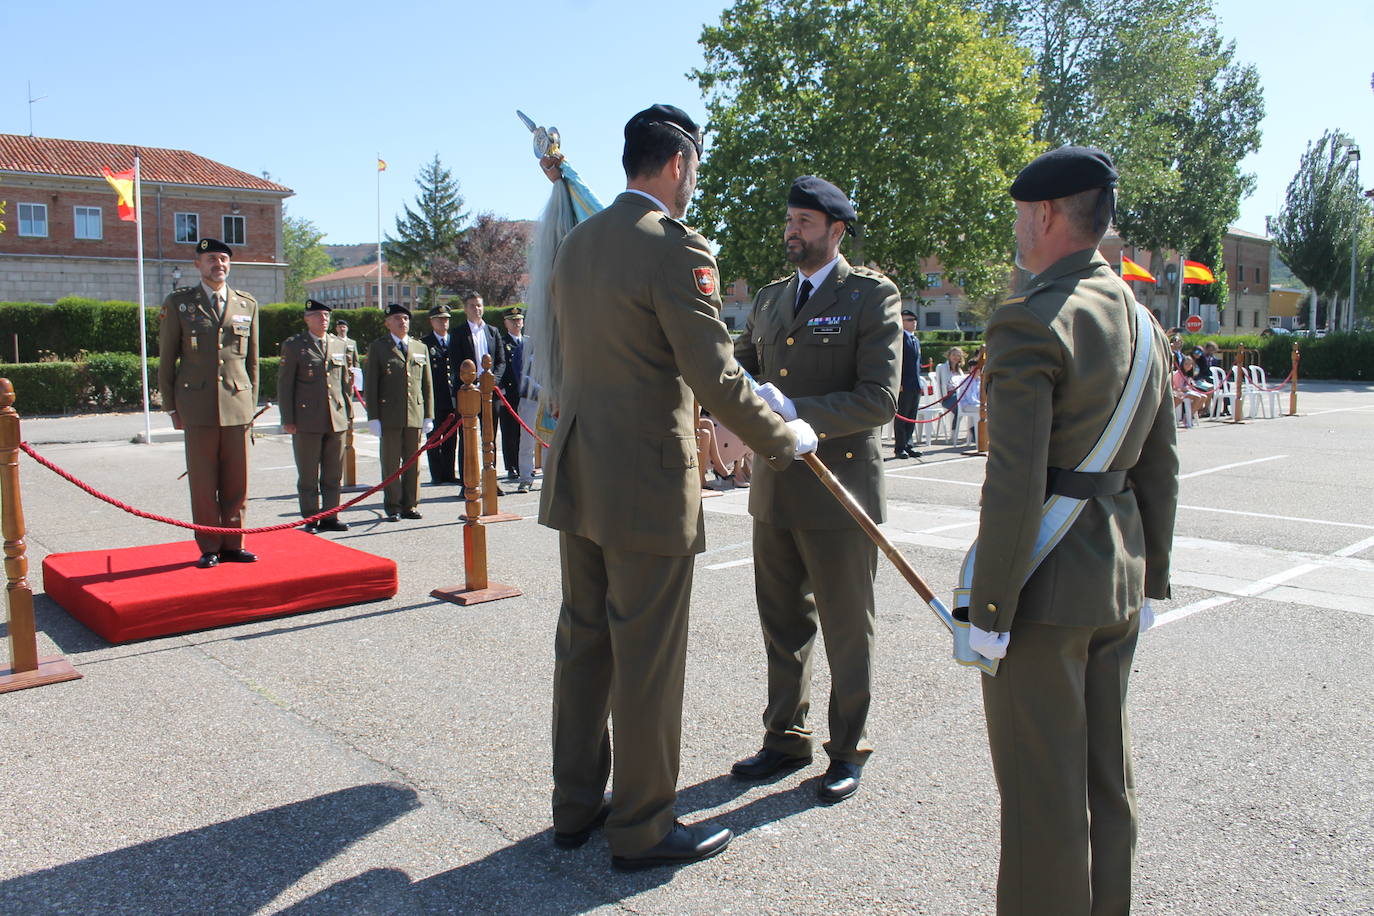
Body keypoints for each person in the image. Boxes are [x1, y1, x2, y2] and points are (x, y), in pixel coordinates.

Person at [538, 104, 816, 870]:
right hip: (646, 483)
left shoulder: (579, 241)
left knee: (583, 643)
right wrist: (780, 438)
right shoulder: (675, 247)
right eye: (695, 169)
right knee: (648, 657)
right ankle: (644, 828)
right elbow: (714, 371)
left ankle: (574, 807)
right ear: (678, 165)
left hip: (582, 469)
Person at [966, 146, 1178, 916]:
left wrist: (988, 611)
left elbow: (1015, 485)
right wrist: (1151, 579)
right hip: (1117, 580)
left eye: (1021, 215)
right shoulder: (1146, 325)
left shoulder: (1029, 319)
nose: (1018, 229)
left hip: (1045, 595)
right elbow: (1161, 469)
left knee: (1040, 801)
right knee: (1105, 785)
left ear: (1047, 214)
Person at [729, 175, 901, 804]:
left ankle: (848, 746)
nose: (791, 231)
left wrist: (798, 406)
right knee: (782, 623)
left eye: (805, 222)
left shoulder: (869, 295)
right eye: (790, 220)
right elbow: (739, 363)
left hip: (840, 490)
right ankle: (785, 737)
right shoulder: (773, 299)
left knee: (846, 628)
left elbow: (879, 398)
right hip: (777, 489)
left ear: (836, 230)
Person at [157, 237, 259, 569]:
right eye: (212, 259)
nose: (219, 264)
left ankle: (234, 542)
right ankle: (209, 545)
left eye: (224, 259)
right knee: (203, 481)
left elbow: (253, 362)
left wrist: (251, 404)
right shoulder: (180, 303)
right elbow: (167, 358)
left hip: (237, 403)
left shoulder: (247, 304)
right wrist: (171, 408)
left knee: (236, 479)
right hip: (196, 404)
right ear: (197, 264)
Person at [278, 299, 352, 532]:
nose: (324, 320)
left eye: (327, 316)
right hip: (307, 418)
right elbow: (285, 384)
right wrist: (288, 419)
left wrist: (348, 413)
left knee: (333, 473)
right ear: (307, 318)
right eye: (318, 316)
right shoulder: (294, 345)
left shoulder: (339, 344)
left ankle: (331, 515)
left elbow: (344, 383)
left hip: (335, 417)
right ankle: (310, 518)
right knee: (308, 474)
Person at [363, 304, 434, 522]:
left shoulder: (419, 347)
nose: (402, 322)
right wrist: (373, 417)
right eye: (397, 318)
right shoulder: (379, 347)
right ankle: (393, 506)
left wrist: (428, 414)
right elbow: (372, 384)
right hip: (389, 415)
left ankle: (410, 504)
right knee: (391, 463)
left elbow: (427, 384)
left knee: (413, 463)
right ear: (387, 323)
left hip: (414, 413)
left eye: (405, 318)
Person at [451, 292, 505, 489]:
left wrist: (491, 382)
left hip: (490, 393)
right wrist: (472, 382)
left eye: (480, 305)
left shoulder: (493, 331)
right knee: (467, 438)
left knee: (490, 436)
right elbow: (456, 362)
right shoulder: (458, 333)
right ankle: (469, 482)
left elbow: (500, 361)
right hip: (469, 391)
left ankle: (491, 481)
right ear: (465, 309)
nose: (477, 309)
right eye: (472, 305)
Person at [419, 303, 459, 484]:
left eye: (446, 319)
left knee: (451, 439)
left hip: (453, 399)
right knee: (434, 439)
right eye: (439, 319)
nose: (443, 323)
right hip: (435, 399)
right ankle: (437, 474)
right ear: (432, 321)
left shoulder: (455, 341)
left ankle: (449, 473)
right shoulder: (425, 344)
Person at [497, 308, 528, 484]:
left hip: (528, 393)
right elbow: (500, 365)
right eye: (513, 320)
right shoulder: (502, 342)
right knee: (510, 431)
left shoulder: (528, 342)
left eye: (519, 320)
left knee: (526, 431)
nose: (517, 323)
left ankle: (525, 464)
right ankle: (512, 466)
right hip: (510, 393)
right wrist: (500, 389)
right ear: (506, 323)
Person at [894, 308, 922, 459]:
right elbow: (897, 363)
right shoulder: (899, 339)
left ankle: (908, 445)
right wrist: (898, 383)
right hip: (903, 385)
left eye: (914, 320)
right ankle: (899, 448)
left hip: (915, 385)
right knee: (902, 417)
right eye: (909, 320)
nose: (913, 322)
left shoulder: (914, 339)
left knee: (911, 417)